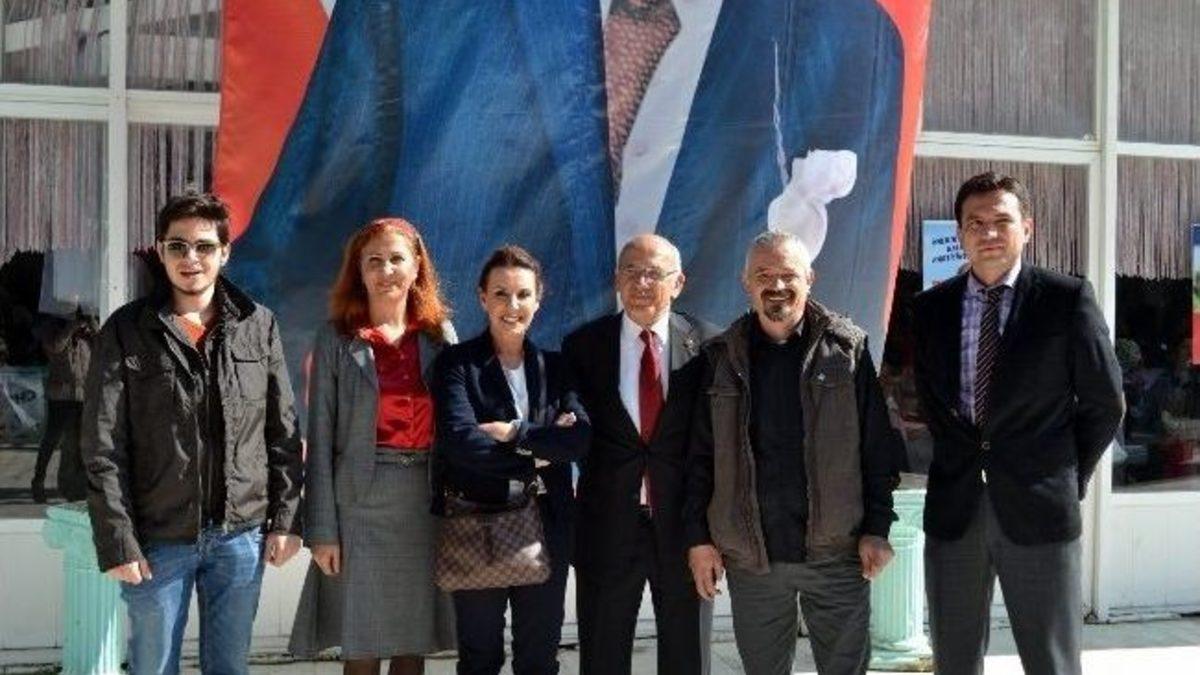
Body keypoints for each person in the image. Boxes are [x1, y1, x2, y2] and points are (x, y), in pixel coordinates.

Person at [229, 0, 905, 375]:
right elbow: (290, 264)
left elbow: (840, 326)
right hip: (464, 477)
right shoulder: (414, 12)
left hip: (694, 496)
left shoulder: (849, 39)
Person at [81, 192, 304, 675]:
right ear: (160, 251)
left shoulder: (258, 325)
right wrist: (118, 540)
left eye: (204, 246)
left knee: (229, 667)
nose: (191, 258)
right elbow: (102, 446)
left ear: (225, 252)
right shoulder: (126, 330)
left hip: (239, 537)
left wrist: (286, 520)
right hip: (157, 538)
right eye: (177, 246)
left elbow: (282, 433)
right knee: (153, 667)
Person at [911, 172, 1124, 675]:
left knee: (1051, 661)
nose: (988, 233)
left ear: (1027, 228)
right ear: (959, 233)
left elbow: (1104, 403)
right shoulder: (929, 309)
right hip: (956, 511)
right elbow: (933, 404)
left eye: (1001, 221)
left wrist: (1065, 475)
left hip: (1040, 508)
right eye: (975, 223)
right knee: (954, 661)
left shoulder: (1066, 299)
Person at [684, 231, 902, 675]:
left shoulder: (847, 350)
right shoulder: (719, 358)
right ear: (746, 282)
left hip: (837, 555)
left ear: (810, 278)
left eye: (788, 274)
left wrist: (877, 528)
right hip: (754, 560)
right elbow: (700, 459)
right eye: (764, 275)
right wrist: (699, 539)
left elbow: (878, 450)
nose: (777, 285)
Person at [289, 218, 456, 674]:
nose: (386, 271)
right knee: (361, 644)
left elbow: (456, 429)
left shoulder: (439, 337)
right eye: (374, 261)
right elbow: (320, 438)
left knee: (411, 643)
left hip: (423, 505)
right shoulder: (336, 339)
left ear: (417, 266)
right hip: (358, 507)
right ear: (358, 271)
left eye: (396, 259)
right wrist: (322, 530)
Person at [432, 245, 591, 675]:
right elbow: (461, 442)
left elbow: (578, 439)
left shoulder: (557, 367)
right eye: (500, 293)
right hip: (478, 522)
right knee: (480, 657)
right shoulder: (456, 365)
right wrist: (538, 454)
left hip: (548, 526)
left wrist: (515, 434)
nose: (512, 305)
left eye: (523, 294)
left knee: (538, 657)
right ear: (482, 297)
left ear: (539, 299)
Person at [564, 234, 719, 675]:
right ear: (616, 280)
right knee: (602, 656)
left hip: (685, 530)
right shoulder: (584, 346)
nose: (641, 282)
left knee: (687, 657)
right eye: (631, 271)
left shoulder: (710, 346)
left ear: (679, 282)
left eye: (654, 273)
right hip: (607, 527)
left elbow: (715, 446)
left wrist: (707, 533)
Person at [31, 307, 97, 503]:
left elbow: (104, 347)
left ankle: (75, 486)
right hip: (60, 395)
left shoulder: (87, 333)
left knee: (79, 442)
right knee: (52, 439)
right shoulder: (52, 327)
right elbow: (55, 348)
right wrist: (71, 327)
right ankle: (38, 481)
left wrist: (92, 324)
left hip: (83, 395)